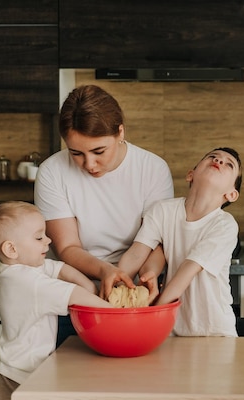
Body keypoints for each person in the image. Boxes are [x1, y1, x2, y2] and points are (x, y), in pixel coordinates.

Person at [34, 84, 174, 342]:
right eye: (76, 153)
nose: (88, 164)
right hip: (79, 294)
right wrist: (105, 272)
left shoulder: (152, 169)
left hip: (138, 293)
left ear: (120, 132)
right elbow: (67, 248)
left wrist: (149, 274)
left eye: (99, 151)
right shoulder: (52, 172)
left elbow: (158, 241)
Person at [0, 201, 112, 400]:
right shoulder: (26, 282)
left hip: (18, 374)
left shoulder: (21, 267)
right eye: (39, 237)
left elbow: (58, 268)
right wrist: (113, 311)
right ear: (11, 248)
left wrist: (89, 285)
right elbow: (73, 295)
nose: (48, 240)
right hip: (16, 382)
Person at [118, 147, 242, 336]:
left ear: (231, 194)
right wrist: (122, 286)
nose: (219, 161)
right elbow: (140, 253)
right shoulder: (163, 210)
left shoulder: (224, 225)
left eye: (229, 164)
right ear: (190, 175)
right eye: (212, 157)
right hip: (171, 330)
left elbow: (188, 270)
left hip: (214, 330)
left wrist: (155, 312)